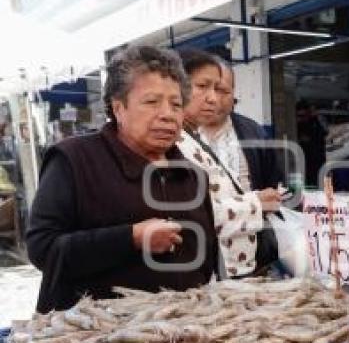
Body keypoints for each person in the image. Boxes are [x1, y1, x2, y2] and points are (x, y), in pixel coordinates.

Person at [26, 45, 218, 312]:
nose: (167, 114)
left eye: (176, 104)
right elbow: (42, 249)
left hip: (179, 336)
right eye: (151, 102)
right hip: (91, 340)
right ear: (118, 108)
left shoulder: (193, 175)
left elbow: (206, 261)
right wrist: (130, 238)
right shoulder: (74, 159)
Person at [176, 49, 284, 278]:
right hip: (205, 262)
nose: (213, 98)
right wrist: (254, 203)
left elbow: (273, 178)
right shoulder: (172, 141)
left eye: (221, 90)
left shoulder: (251, 131)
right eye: (202, 86)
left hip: (247, 255)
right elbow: (188, 216)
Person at [199, 59, 286, 192]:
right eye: (204, 88)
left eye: (222, 90)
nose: (213, 99)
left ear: (233, 93)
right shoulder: (176, 136)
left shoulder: (256, 134)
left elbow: (275, 186)